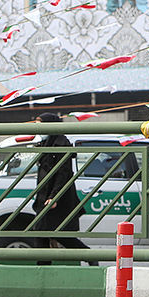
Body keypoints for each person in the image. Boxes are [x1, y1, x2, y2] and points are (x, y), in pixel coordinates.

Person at [33, 113, 94, 264]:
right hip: (45, 196)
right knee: (42, 232)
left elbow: (63, 173)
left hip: (57, 199)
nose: (38, 129)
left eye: (40, 125)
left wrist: (54, 196)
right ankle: (43, 266)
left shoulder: (61, 144)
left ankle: (89, 256)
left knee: (55, 233)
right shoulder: (47, 144)